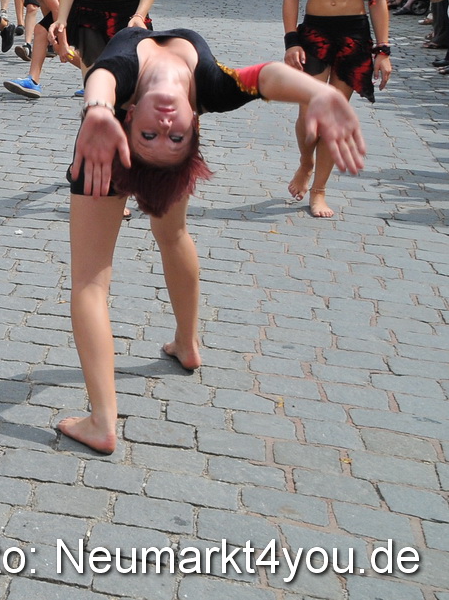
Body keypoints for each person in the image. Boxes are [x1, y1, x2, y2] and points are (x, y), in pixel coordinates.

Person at [58, 25, 366, 455]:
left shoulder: (122, 85)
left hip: (100, 139)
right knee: (153, 244)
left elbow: (105, 76)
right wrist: (314, 92)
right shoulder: (213, 89)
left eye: (152, 135)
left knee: (101, 274)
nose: (164, 125)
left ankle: (155, 371)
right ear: (194, 127)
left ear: (129, 118)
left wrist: (97, 110)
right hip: (104, 137)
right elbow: (264, 79)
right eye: (174, 136)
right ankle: (139, 387)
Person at [281, 0, 390, 219]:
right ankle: (304, 162)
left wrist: (382, 49)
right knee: (309, 115)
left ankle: (320, 190)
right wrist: (291, 40)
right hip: (313, 32)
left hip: (354, 34)